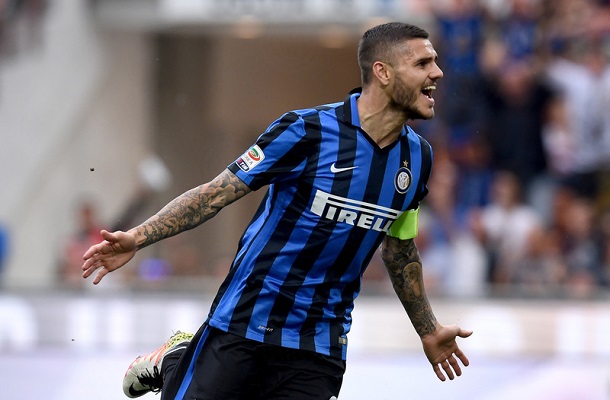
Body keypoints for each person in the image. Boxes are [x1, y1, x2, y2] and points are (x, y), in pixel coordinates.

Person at [82, 22, 472, 400]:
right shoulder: (306, 131)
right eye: (423, 63)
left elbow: (399, 248)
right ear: (383, 72)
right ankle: (176, 359)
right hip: (246, 319)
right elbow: (216, 193)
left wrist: (428, 329)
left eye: (435, 62)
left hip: (320, 343)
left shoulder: (417, 159)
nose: (437, 73)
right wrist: (138, 237)